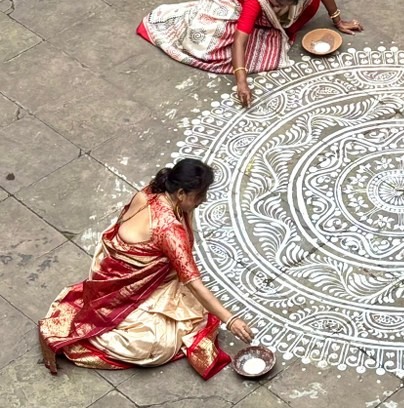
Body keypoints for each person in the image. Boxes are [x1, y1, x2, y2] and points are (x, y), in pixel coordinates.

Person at [38, 159, 254, 379]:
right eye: (199, 195)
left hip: (111, 272)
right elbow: (194, 283)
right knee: (158, 347)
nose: (204, 200)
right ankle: (99, 334)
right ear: (181, 193)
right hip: (127, 289)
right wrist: (230, 320)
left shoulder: (151, 191)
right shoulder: (168, 229)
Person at [137, 0, 363, 107]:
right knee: (209, 46)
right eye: (275, 3)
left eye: (285, 4)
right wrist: (241, 81)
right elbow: (239, 40)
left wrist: (338, 20)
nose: (278, 8)